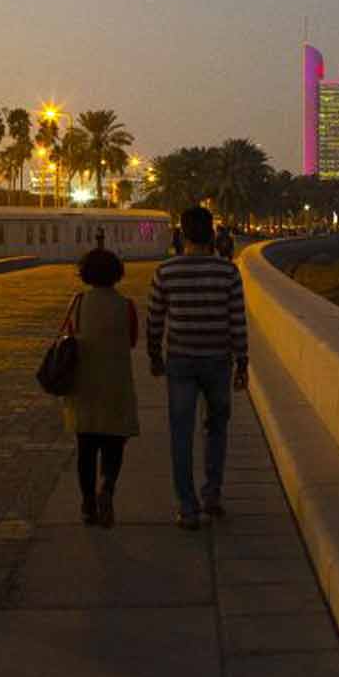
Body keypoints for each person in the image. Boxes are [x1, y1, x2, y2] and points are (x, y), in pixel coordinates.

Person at [145, 206, 249, 530]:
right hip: (218, 360)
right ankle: (213, 495)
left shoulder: (166, 271)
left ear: (182, 235)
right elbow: (237, 321)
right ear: (213, 233)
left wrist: (154, 356)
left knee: (181, 433)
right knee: (217, 429)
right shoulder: (228, 272)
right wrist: (242, 361)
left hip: (180, 361)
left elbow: (154, 320)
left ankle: (187, 507)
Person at [63, 237, 139, 527]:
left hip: (84, 384)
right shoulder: (127, 306)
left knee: (85, 448)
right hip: (116, 384)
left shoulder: (79, 304)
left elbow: (72, 336)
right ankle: (107, 487)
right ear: (117, 274)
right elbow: (132, 341)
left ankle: (87, 504)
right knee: (114, 445)